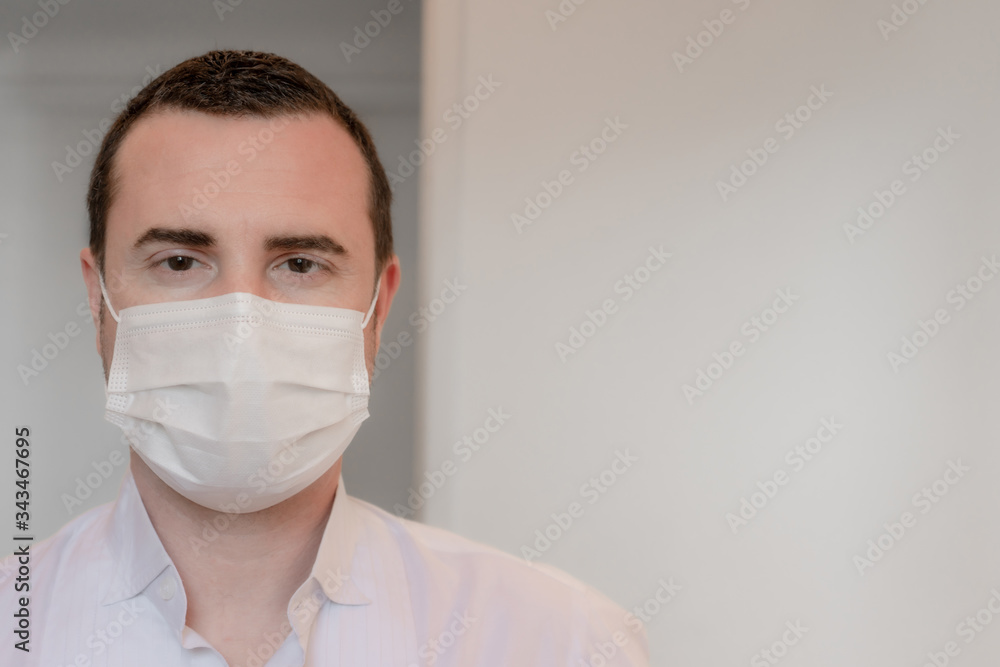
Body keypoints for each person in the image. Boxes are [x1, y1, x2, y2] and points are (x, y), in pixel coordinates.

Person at [0, 50, 648, 666]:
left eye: (300, 263)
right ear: (98, 298)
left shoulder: (558, 641)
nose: (239, 325)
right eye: (179, 261)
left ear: (378, 305)